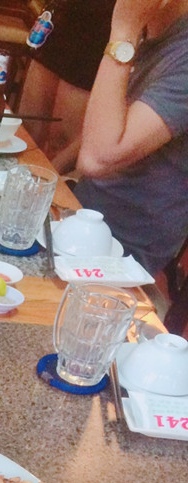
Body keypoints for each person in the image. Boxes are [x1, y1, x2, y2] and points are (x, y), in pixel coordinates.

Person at [75, 0, 188, 276]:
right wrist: (51, 172)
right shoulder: (153, 29)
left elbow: (96, 159)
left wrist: (123, 31)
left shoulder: (150, 37)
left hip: (123, 252)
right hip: (84, 218)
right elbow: (107, 126)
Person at [18, 0, 115, 172]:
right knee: (29, 125)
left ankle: (47, 182)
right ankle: (13, 178)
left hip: (105, 25)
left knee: (61, 142)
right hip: (63, 15)